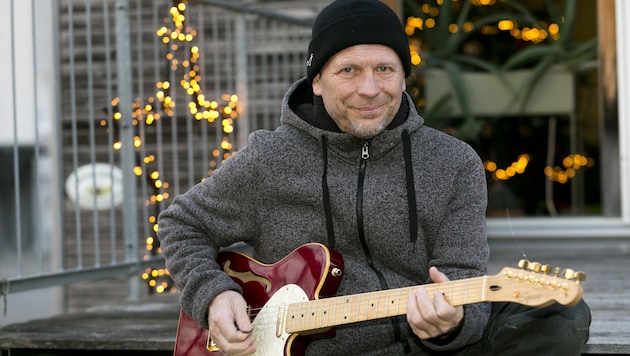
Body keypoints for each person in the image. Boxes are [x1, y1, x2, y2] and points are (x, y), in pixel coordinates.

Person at [157, 0, 591, 355]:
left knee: (560, 316)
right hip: (294, 348)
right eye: (349, 70)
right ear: (319, 82)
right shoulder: (268, 159)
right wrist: (214, 295)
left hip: (419, 349)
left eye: (385, 69)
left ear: (404, 76)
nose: (370, 89)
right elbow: (181, 223)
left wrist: (451, 325)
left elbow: (461, 276)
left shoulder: (454, 162)